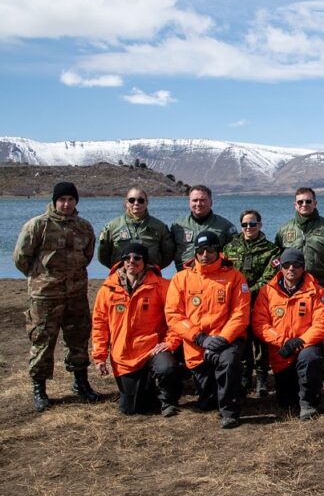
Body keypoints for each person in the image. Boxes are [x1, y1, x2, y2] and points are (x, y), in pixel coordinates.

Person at [13, 182, 99, 411]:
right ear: (54, 201)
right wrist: (42, 279)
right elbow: (21, 258)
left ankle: (81, 383)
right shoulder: (37, 226)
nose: (66, 203)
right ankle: (40, 389)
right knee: (42, 341)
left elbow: (88, 256)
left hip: (76, 294)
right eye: (62, 199)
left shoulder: (84, 227)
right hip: (45, 297)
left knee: (79, 339)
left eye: (71, 199)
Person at [165, 231, 251, 429]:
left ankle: (230, 412)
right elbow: (174, 315)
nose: (205, 255)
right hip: (197, 345)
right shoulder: (181, 279)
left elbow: (240, 314)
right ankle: (221, 392)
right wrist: (200, 338)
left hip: (227, 341)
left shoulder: (235, 277)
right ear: (195, 252)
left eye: (210, 250)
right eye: (201, 250)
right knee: (208, 401)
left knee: (228, 362)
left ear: (218, 252)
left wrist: (222, 339)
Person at [91, 242, 180, 416]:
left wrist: (170, 342)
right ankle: (146, 386)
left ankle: (168, 401)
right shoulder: (108, 289)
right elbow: (99, 324)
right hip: (123, 353)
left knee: (167, 368)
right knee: (131, 409)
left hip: (153, 348)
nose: (132, 261)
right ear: (122, 261)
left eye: (137, 258)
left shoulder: (161, 286)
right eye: (127, 258)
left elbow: (175, 317)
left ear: (144, 261)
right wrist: (100, 356)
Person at [251, 248, 324, 420]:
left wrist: (300, 341)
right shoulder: (267, 292)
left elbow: (322, 324)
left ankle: (308, 404)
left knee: (310, 358)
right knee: (286, 402)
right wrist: (283, 341)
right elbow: (260, 324)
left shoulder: (317, 291)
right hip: (281, 354)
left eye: (296, 265)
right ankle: (297, 394)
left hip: (306, 348)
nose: (291, 269)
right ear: (280, 267)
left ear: (303, 267)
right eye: (287, 265)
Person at [223, 209, 281, 397]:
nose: (249, 227)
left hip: (260, 302)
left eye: (253, 224)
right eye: (245, 224)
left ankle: (262, 378)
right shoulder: (229, 248)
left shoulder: (271, 250)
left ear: (260, 225)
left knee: (261, 341)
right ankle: (246, 377)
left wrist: (248, 292)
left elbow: (270, 277)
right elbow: (224, 274)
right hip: (236, 304)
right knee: (242, 340)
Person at [274, 187, 324, 305]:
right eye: (300, 202)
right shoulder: (284, 230)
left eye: (308, 201)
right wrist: (288, 274)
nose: (304, 204)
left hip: (321, 284)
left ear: (315, 203)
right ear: (295, 205)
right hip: (293, 286)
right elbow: (277, 257)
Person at [96, 186, 176, 270]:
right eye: (132, 200)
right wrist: (118, 268)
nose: (136, 203)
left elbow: (168, 254)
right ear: (126, 203)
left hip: (150, 276)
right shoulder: (112, 227)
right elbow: (103, 255)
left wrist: (154, 268)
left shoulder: (160, 227)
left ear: (146, 203)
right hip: (121, 275)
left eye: (141, 200)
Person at [171, 185, 237, 270]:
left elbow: (235, 255)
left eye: (203, 200)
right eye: (195, 200)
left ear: (211, 202)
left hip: (215, 277)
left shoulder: (225, 226)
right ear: (189, 202)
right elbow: (168, 252)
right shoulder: (178, 226)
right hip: (185, 276)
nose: (198, 204)